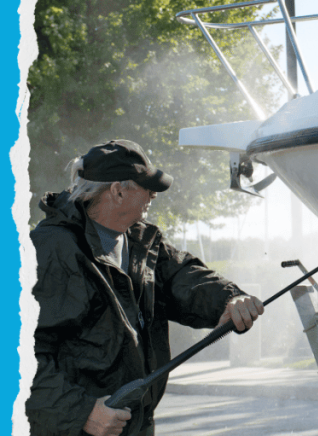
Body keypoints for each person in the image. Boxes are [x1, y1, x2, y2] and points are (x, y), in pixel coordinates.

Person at [26, 139, 265, 436]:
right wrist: (81, 412)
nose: (154, 194)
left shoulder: (142, 242)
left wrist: (230, 300)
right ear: (118, 190)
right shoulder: (50, 251)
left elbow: (184, 276)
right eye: (147, 186)